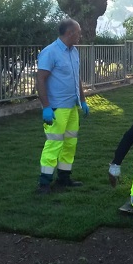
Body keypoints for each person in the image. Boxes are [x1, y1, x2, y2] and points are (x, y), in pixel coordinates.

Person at [36, 18, 90, 194]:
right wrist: (46, 107)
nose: (80, 35)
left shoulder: (74, 52)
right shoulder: (50, 52)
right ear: (70, 33)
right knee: (53, 144)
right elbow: (41, 79)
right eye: (78, 32)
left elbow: (76, 78)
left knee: (69, 143)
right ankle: (44, 183)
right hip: (56, 108)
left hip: (72, 107)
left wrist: (82, 101)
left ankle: (64, 178)